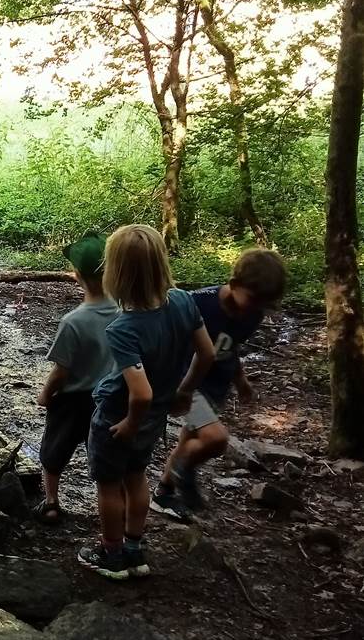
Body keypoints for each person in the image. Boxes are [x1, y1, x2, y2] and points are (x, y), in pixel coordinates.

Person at [81, 225, 215, 581]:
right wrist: (185, 391)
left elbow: (140, 393)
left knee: (109, 484)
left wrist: (128, 423)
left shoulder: (123, 328)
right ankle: (134, 548)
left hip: (119, 415)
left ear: (115, 273)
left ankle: (111, 554)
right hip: (156, 416)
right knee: (137, 476)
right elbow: (207, 352)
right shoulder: (184, 301)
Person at [151, 248, 287, 521]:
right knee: (215, 439)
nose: (257, 307)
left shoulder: (253, 315)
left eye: (264, 303)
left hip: (216, 383)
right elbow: (164, 332)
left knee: (190, 439)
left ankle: (163, 493)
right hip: (186, 382)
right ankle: (181, 470)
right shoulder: (198, 302)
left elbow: (230, 346)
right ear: (235, 285)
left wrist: (241, 380)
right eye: (254, 299)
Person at [36, 232, 118, 523]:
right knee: (102, 454)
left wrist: (45, 394)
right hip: (110, 399)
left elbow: (61, 371)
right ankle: (110, 504)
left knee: (54, 450)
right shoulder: (122, 313)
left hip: (73, 400)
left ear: (76, 275)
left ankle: (52, 501)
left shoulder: (73, 322)